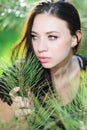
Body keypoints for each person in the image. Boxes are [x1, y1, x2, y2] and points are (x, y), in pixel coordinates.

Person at [0, 0, 87, 128]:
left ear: (75, 38)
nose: (40, 47)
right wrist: (18, 119)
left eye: (52, 37)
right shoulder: (16, 78)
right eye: (35, 36)